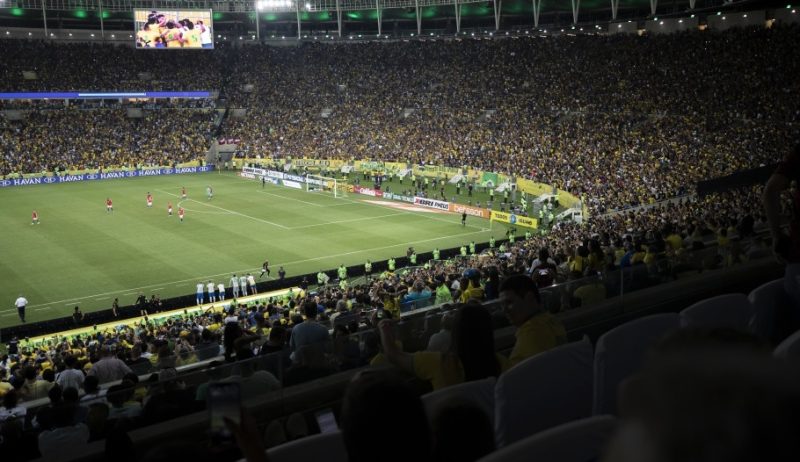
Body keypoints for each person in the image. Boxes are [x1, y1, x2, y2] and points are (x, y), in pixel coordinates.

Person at [379, 302, 504, 390]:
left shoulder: (439, 362)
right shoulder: (501, 362)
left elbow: (393, 354)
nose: (448, 314)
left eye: (453, 315)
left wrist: (383, 327)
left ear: (456, 330)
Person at [499, 275, 567, 367]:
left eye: (509, 302)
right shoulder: (550, 321)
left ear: (529, 298)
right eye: (502, 305)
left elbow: (514, 376)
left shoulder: (532, 331)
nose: (504, 310)